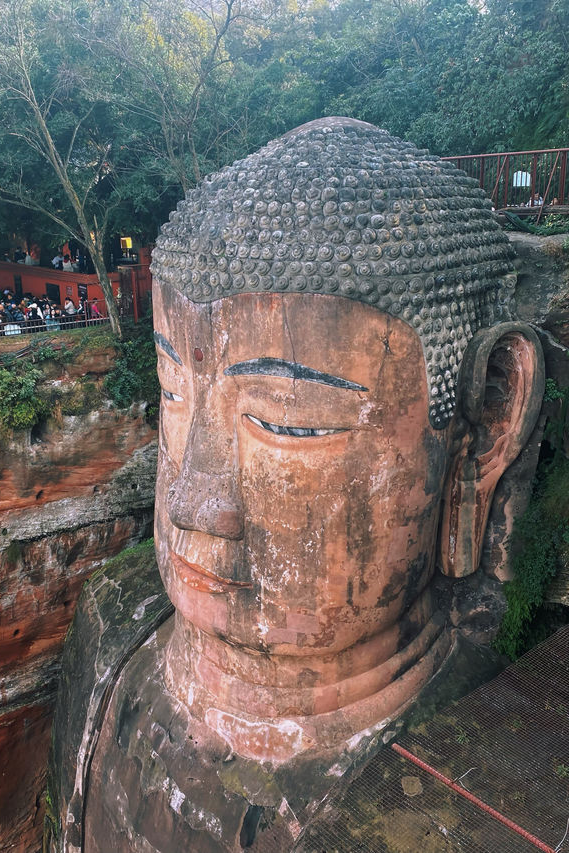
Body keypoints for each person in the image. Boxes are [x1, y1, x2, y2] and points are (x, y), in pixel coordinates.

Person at [70, 119, 545, 852]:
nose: (192, 502)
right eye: (172, 390)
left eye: (285, 425)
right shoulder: (110, 638)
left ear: (486, 423)